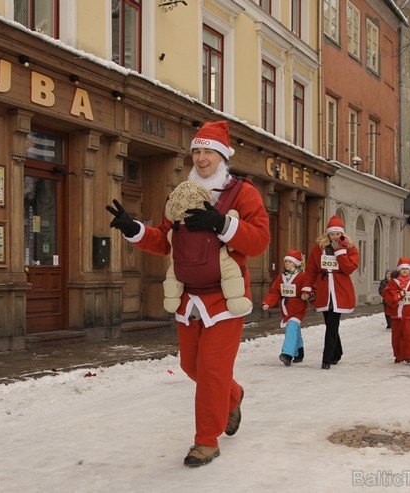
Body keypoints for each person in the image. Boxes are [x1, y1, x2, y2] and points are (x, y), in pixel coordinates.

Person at [106, 120, 270, 467]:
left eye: (208, 150)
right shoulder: (181, 193)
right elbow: (164, 239)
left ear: (223, 155)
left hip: (226, 298)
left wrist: (221, 223)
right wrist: (133, 228)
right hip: (188, 298)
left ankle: (206, 441)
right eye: (196, 150)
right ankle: (234, 394)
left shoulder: (242, 192)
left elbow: (259, 240)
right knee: (190, 365)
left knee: (211, 370)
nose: (201, 157)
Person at [301, 215, 359, 369]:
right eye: (331, 234)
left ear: (342, 234)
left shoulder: (349, 248)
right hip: (324, 290)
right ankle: (337, 352)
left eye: (336, 234)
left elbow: (349, 268)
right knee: (330, 324)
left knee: (332, 324)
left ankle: (326, 359)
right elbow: (311, 270)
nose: (334, 237)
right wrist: (307, 287)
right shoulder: (318, 248)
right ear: (327, 234)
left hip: (340, 290)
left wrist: (340, 251)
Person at [261, 250, 309, 366]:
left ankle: (287, 354)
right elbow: (274, 292)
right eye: (286, 261)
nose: (287, 264)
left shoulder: (302, 276)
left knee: (291, 327)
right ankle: (299, 352)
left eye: (290, 262)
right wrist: (267, 302)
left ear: (296, 263)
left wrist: (306, 294)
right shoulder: (281, 277)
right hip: (285, 308)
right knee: (294, 329)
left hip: (298, 307)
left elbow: (308, 287)